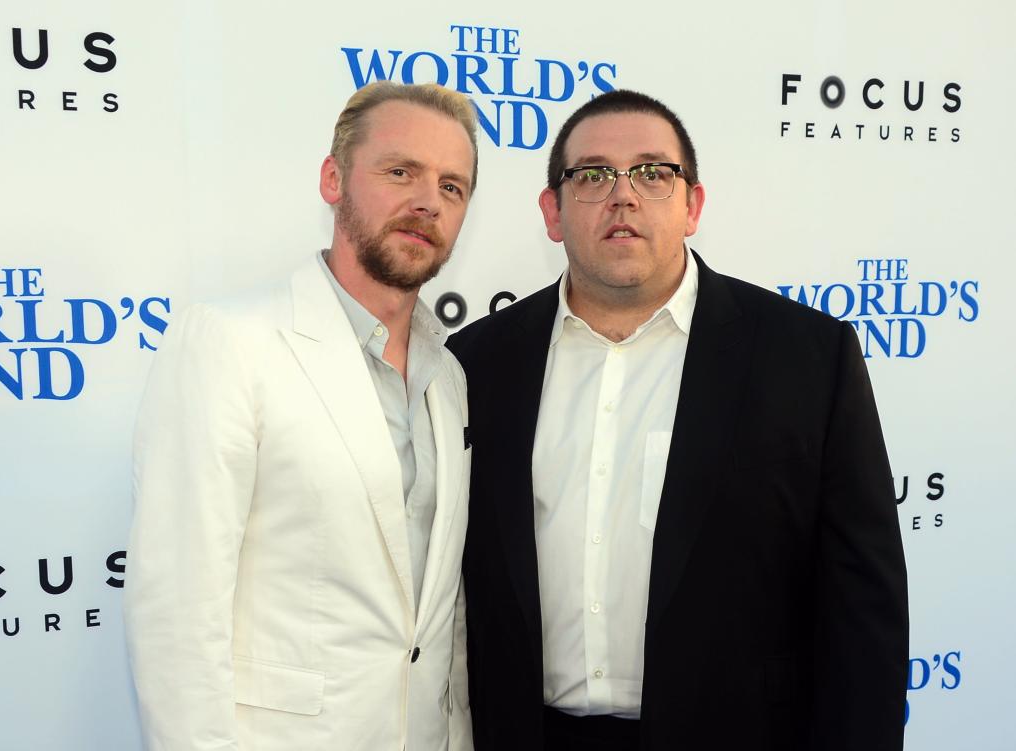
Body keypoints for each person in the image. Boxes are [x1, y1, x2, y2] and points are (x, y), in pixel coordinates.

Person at [447, 90, 908, 751]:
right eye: (594, 174)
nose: (623, 195)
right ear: (553, 212)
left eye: (653, 173)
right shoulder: (477, 363)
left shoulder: (806, 357)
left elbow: (865, 605)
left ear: (692, 205)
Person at [124, 81, 478, 751]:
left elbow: (438, 621)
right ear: (333, 178)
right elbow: (176, 618)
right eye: (400, 170)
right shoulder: (231, 343)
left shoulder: (450, 377)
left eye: (452, 186)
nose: (428, 200)